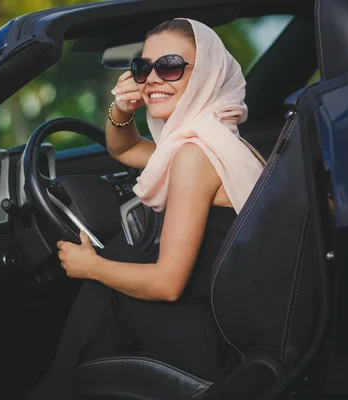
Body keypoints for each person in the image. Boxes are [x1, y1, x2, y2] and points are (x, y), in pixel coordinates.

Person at [25, 18, 265, 400]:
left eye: (169, 66)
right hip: (241, 327)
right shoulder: (224, 143)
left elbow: (167, 285)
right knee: (121, 259)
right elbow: (124, 149)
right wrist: (121, 108)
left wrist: (93, 266)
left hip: (221, 343)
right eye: (143, 68)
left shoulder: (194, 155)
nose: (152, 78)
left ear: (206, 73)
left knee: (106, 284)